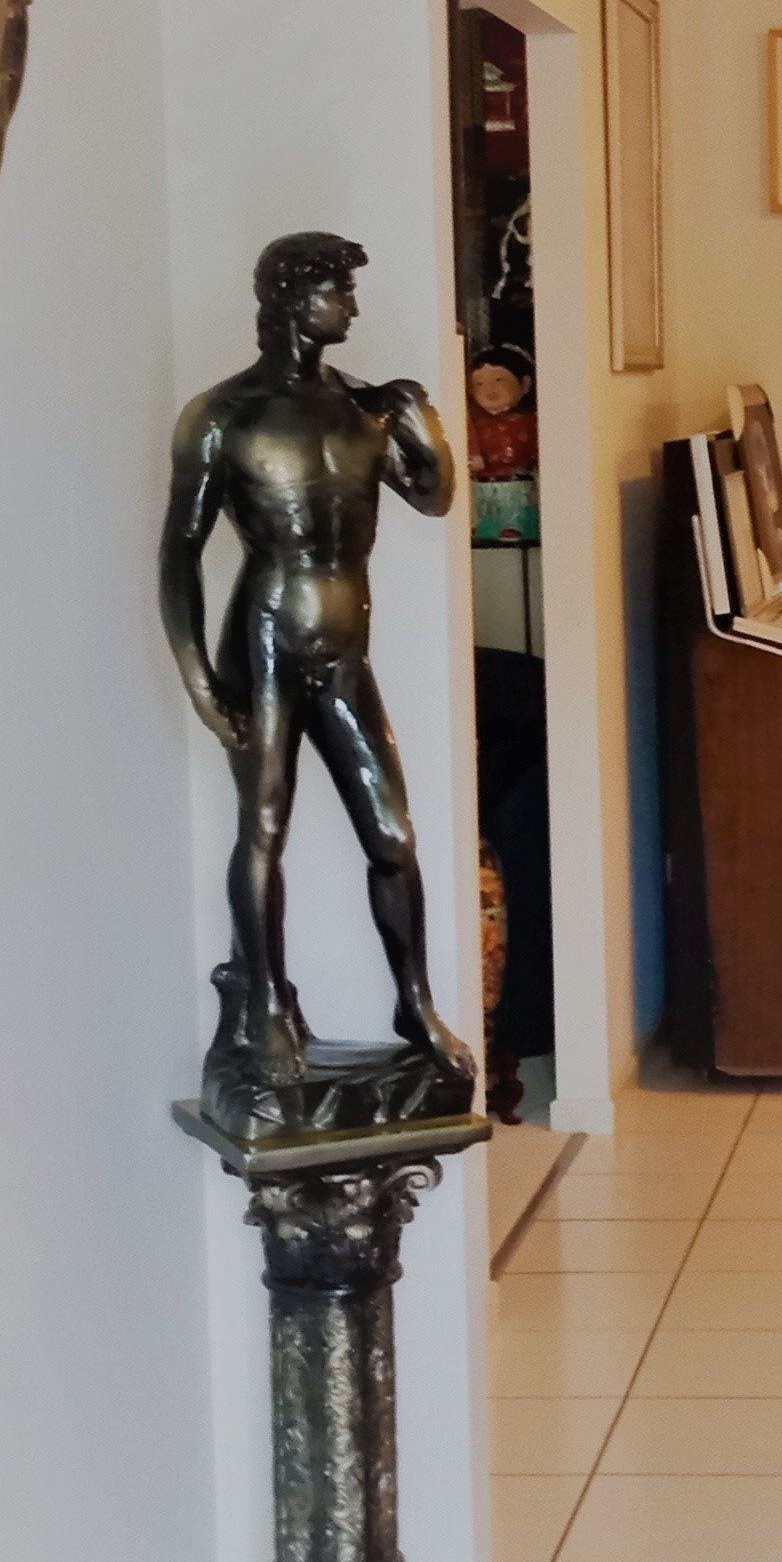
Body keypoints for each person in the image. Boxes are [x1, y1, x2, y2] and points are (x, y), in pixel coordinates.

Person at [161, 231, 474, 1117]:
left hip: (344, 650)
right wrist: (198, 678)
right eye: (340, 291)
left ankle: (415, 1007)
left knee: (393, 835)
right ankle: (266, 1005)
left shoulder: (364, 408)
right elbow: (180, 553)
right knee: (264, 825)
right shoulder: (222, 413)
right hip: (263, 639)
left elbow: (435, 497)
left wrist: (423, 427)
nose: (354, 307)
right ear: (292, 300)